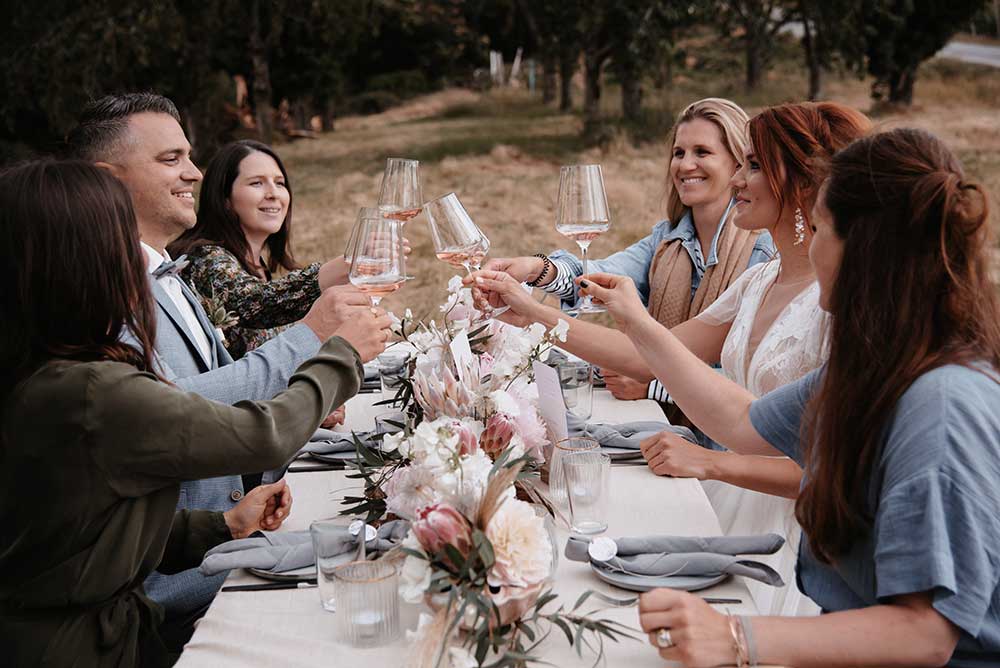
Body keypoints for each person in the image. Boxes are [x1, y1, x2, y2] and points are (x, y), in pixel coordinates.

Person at [581, 128, 1000, 666]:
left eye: (822, 229)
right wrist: (638, 326)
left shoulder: (939, 406)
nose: (813, 245)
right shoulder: (879, 365)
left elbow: (924, 634)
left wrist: (736, 637)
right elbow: (743, 421)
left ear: (863, 250)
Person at [471, 102, 872, 615]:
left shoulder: (838, 301)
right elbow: (653, 355)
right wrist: (533, 315)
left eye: (750, 166)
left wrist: (713, 463)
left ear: (796, 182)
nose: (736, 182)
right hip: (729, 498)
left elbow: (837, 470)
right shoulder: (760, 281)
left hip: (797, 527)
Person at [0, 160, 391, 668]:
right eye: (119, 243)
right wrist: (340, 354)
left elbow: (82, 528)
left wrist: (220, 526)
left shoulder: (45, 372)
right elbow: (262, 435)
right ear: (85, 262)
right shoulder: (92, 390)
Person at [64, 93, 372, 642]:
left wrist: (298, 402)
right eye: (169, 160)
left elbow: (227, 380)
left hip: (234, 542)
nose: (193, 172)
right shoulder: (97, 294)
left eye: (189, 156)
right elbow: (169, 409)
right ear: (107, 179)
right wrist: (313, 342)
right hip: (171, 595)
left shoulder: (167, 270)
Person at [485, 98, 774, 409]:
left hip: (726, 442)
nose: (685, 165)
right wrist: (537, 269)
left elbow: (753, 378)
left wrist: (656, 387)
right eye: (678, 153)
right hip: (662, 426)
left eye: (702, 152)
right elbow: (595, 279)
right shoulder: (666, 241)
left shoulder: (762, 253)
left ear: (737, 163)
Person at [168, 139, 352, 361]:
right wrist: (348, 265)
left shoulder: (255, 265)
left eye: (280, 183)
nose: (273, 193)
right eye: (257, 183)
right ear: (225, 198)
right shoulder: (206, 259)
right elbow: (256, 303)